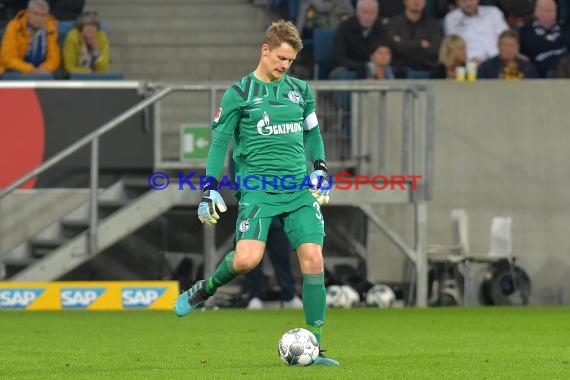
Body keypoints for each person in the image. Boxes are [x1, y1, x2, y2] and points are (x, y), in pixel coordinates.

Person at [174, 20, 337, 366]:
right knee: (247, 260)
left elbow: (313, 134)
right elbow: (220, 143)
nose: (284, 65)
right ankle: (207, 287)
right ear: (265, 49)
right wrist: (209, 189)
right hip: (258, 191)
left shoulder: (301, 91)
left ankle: (316, 347)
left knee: (314, 259)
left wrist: (320, 167)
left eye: (290, 61)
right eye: (280, 58)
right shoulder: (239, 94)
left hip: (297, 189)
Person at [245, 217, 303, 309]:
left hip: (278, 216)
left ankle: (289, 296)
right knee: (252, 259)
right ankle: (255, 296)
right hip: (254, 217)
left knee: (283, 258)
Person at [0, 0, 60, 75]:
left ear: (47, 16)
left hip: (42, 72)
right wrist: (30, 70)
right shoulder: (14, 27)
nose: (39, 18)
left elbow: (54, 58)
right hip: (17, 72)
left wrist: (46, 67)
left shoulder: (52, 29)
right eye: (35, 14)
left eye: (43, 15)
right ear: (28, 13)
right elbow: (7, 58)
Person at [385, 0, 442, 76]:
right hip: (399, 72)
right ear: (405, 2)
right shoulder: (394, 23)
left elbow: (435, 51)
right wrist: (420, 44)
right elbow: (394, 49)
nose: (416, 1)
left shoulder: (432, 24)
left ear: (425, 3)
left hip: (427, 71)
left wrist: (403, 44)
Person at [330, 0, 385, 79]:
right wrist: (364, 66)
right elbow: (338, 58)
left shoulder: (380, 27)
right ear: (357, 12)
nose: (368, 17)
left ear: (377, 13)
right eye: (364, 12)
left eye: (372, 13)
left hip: (373, 67)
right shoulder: (345, 27)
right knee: (342, 73)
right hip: (349, 67)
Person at [444, 0, 509, 63]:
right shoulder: (451, 19)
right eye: (463, 0)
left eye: (471, 0)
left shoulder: (493, 12)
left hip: (500, 60)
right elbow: (453, 46)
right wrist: (469, 61)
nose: (468, 3)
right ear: (457, 1)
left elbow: (507, 37)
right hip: (471, 64)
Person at [519, 0, 570, 78]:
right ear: (536, 12)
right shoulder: (525, 32)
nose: (552, 14)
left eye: (554, 10)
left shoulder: (565, 29)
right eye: (548, 11)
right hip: (544, 70)